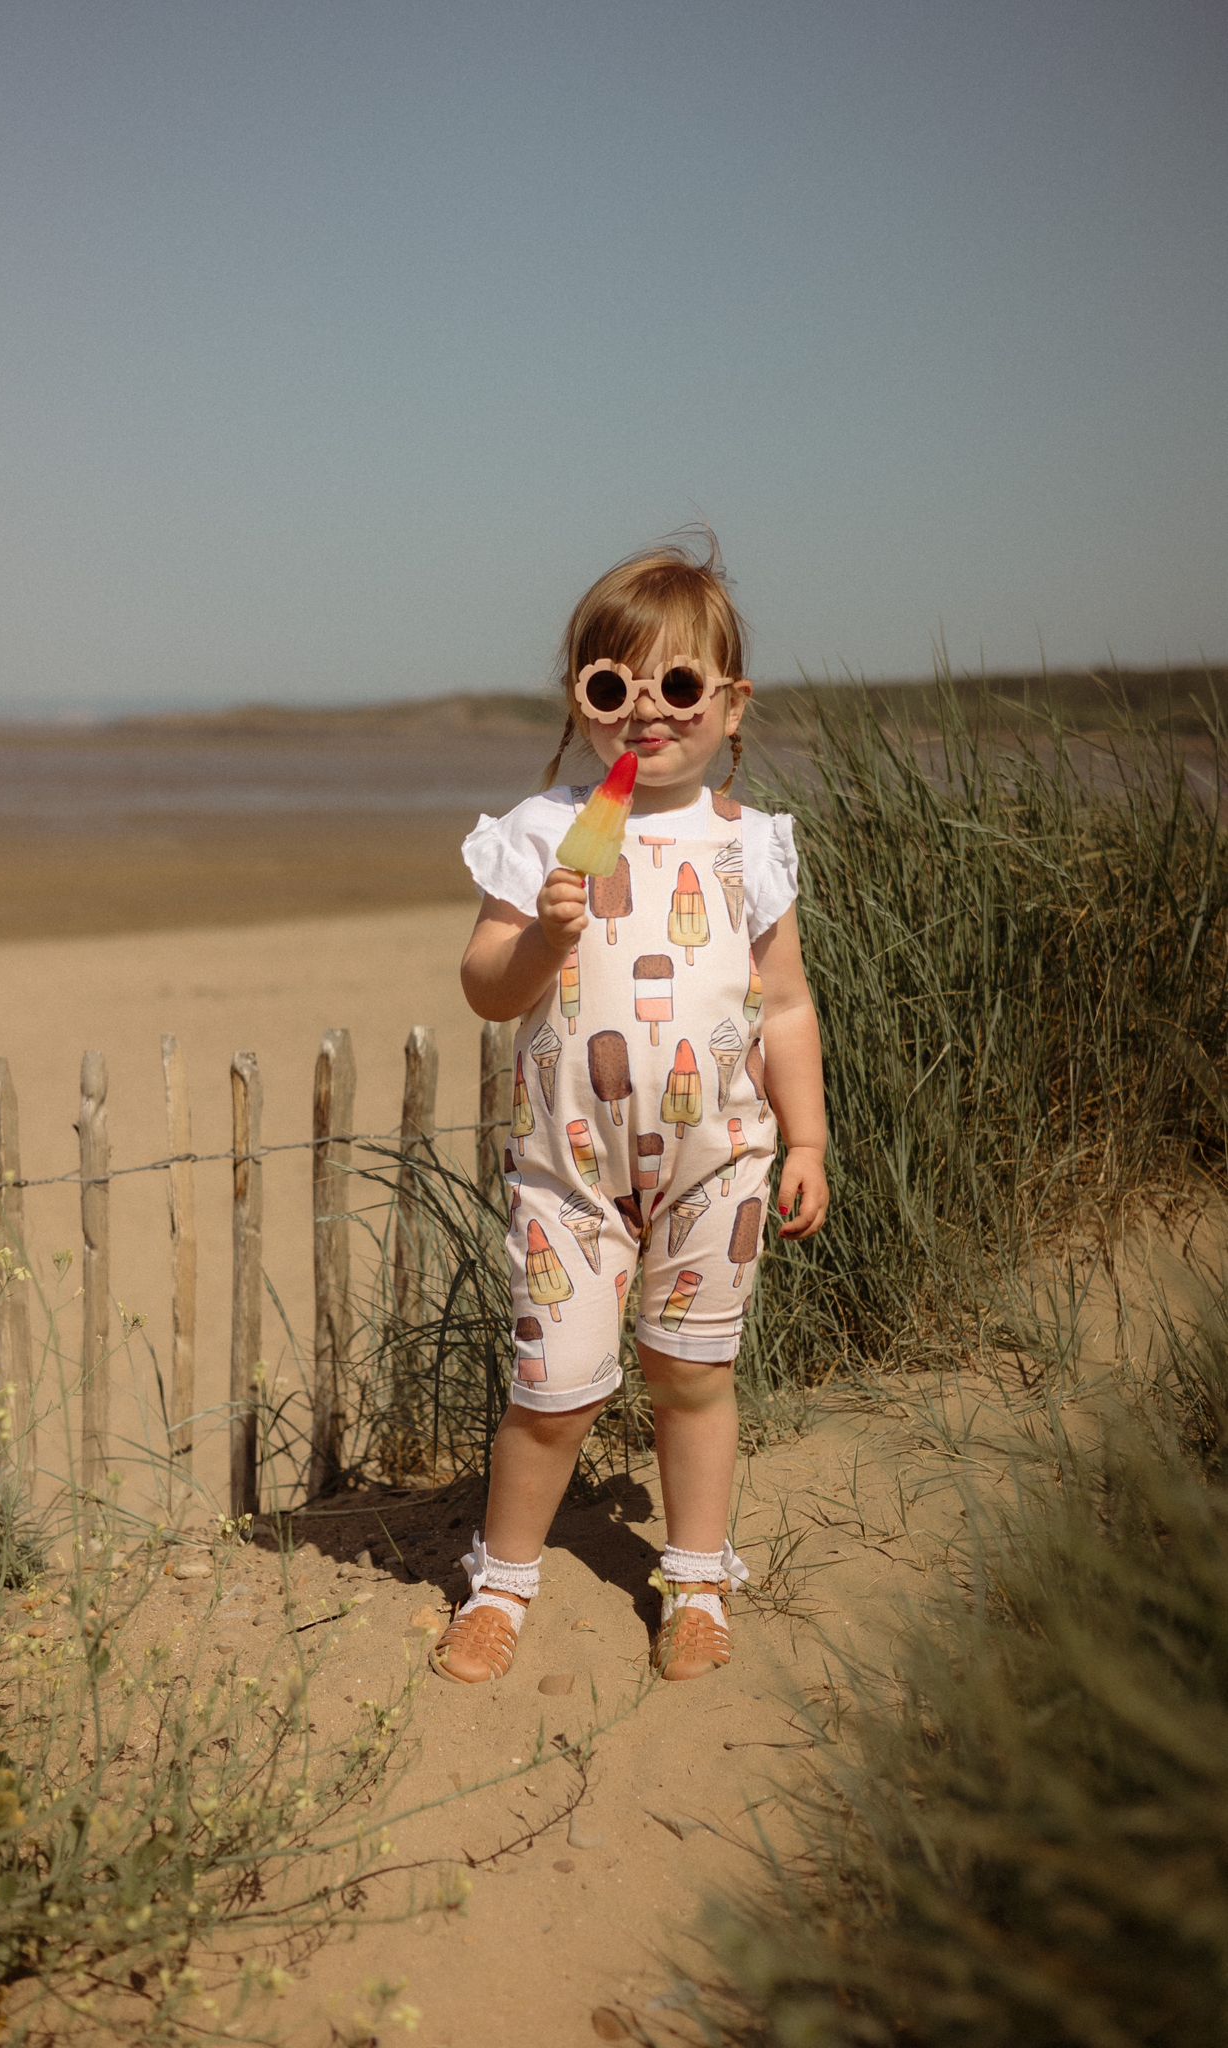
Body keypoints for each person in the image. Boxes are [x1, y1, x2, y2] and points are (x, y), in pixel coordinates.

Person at [436, 536, 829, 1685]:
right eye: (613, 688)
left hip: (720, 1163)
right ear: (581, 699)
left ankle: (696, 1575)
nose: (645, 714)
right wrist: (543, 936)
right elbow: (483, 986)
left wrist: (805, 1136)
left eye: (679, 687)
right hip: (566, 1170)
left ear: (730, 703)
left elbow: (788, 1004)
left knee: (692, 1374)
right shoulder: (540, 831)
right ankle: (501, 1583)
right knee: (552, 1392)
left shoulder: (751, 844)